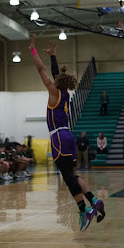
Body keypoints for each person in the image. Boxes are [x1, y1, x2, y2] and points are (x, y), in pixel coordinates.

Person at [29, 35, 103, 232]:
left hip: (59, 138)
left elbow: (41, 70)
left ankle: (83, 210)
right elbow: (54, 73)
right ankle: (93, 199)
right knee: (72, 174)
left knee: (67, 178)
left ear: (56, 82)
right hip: (69, 136)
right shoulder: (65, 93)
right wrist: (53, 55)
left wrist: (33, 51)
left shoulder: (54, 92)